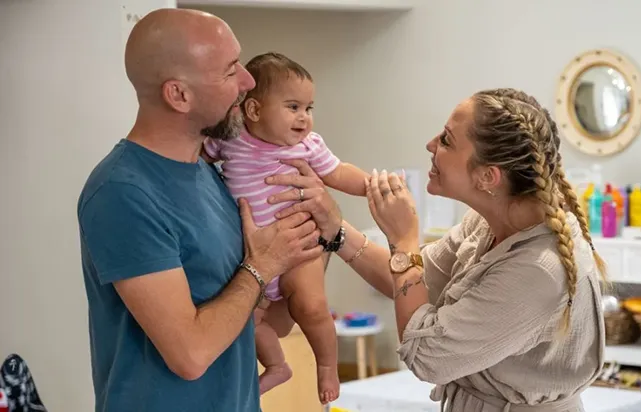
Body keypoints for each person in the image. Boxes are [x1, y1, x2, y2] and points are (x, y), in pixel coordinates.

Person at [265, 88, 606, 411]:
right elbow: (412, 283)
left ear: (488, 177)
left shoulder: (538, 270)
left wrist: (404, 239)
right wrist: (334, 228)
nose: (430, 144)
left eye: (446, 139)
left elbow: (426, 354)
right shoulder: (487, 224)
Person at [77, 9, 343, 412]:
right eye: (230, 70)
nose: (249, 82)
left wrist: (320, 235)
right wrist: (261, 266)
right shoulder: (122, 193)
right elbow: (190, 355)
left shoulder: (213, 175)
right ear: (178, 95)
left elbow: (271, 321)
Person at [203, 52, 369, 403]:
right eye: (293, 107)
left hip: (299, 252)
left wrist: (372, 186)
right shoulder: (231, 141)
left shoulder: (309, 147)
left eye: (309, 108)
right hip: (253, 259)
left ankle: (326, 366)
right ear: (254, 110)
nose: (304, 118)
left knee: (311, 307)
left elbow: (338, 173)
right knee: (244, 325)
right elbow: (197, 157)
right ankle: (277, 365)